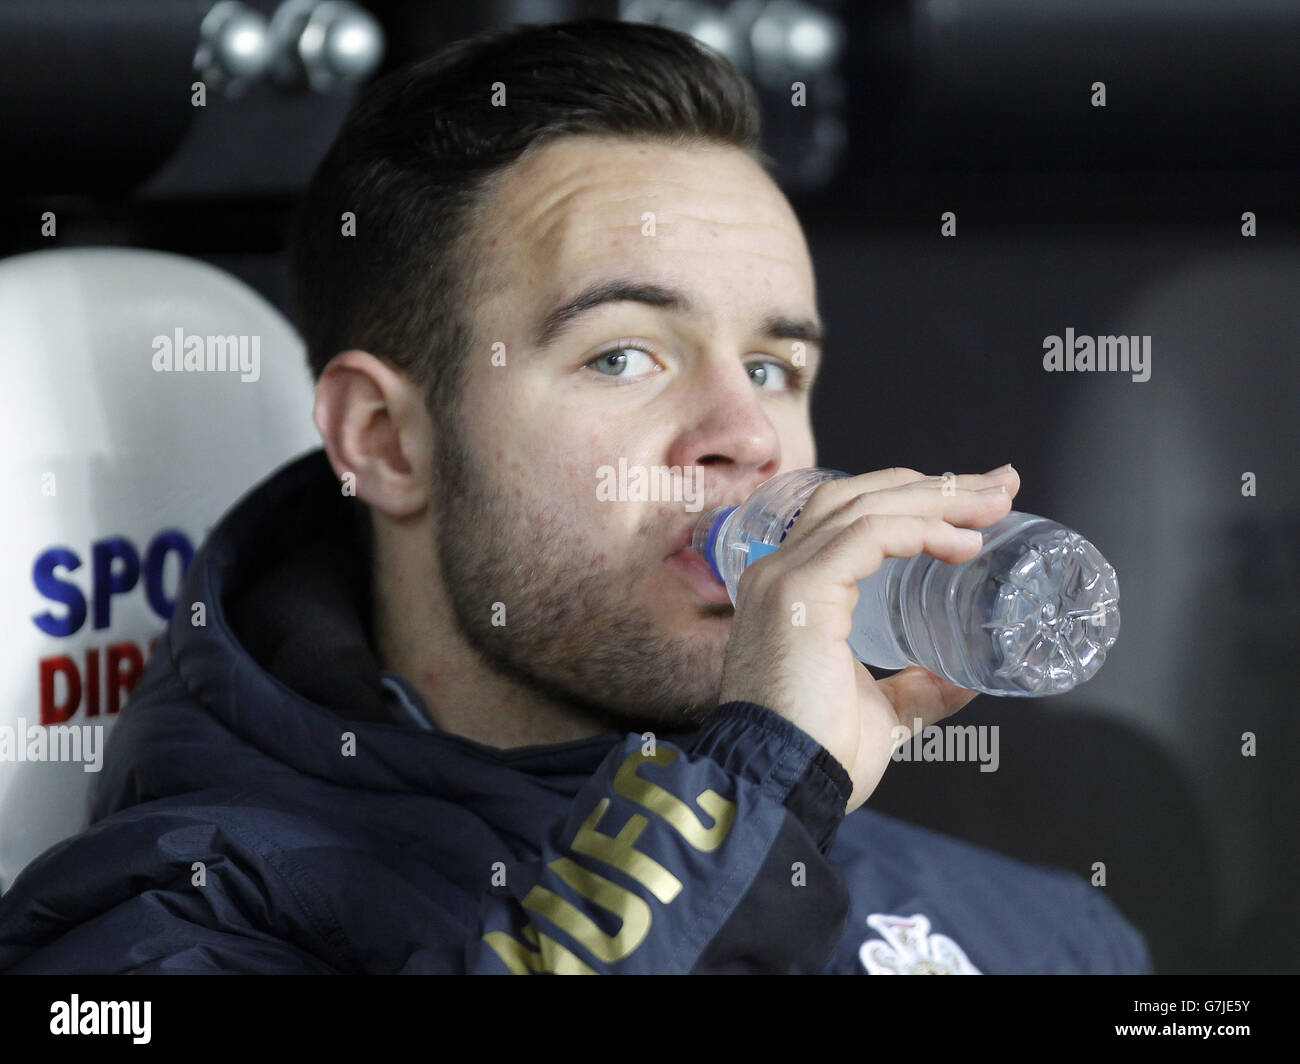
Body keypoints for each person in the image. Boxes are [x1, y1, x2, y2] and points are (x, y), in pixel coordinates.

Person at [0, 18, 1149, 974]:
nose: (744, 436)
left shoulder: (1040, 936)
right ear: (388, 441)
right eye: (623, 355)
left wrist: (765, 806)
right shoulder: (157, 931)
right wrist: (756, 794)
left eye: (771, 366)